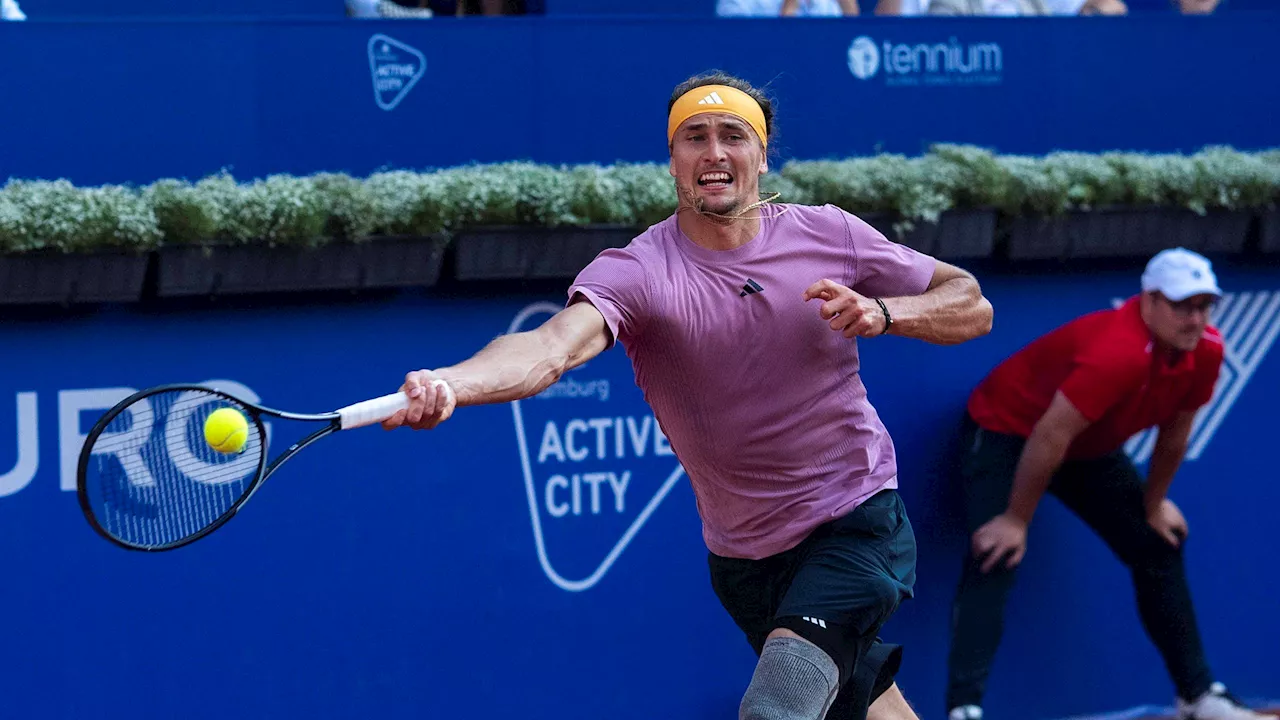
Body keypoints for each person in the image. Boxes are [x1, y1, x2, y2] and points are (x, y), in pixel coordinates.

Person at [382, 71, 993, 720]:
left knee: (777, 710)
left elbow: (970, 303)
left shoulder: (830, 234)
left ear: (761, 154)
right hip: (745, 561)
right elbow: (549, 348)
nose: (714, 153)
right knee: (867, 707)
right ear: (673, 159)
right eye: (694, 137)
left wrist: (884, 311)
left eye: (733, 135)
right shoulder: (641, 272)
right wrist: (453, 383)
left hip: (855, 515)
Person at [944, 248, 1270, 720]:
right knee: (997, 553)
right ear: (1148, 301)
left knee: (1158, 543)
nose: (1195, 319)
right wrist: (1016, 519)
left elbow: (1175, 435)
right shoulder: (1117, 352)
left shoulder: (1208, 351)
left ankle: (1199, 696)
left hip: (1084, 445)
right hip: (1007, 430)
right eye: (1182, 305)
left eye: (1204, 306)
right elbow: (1048, 435)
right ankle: (963, 709)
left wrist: (1153, 504)